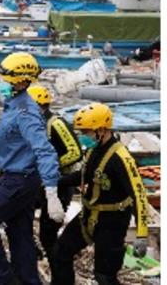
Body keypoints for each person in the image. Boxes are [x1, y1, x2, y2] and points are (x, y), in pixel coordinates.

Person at [0, 53, 63, 285]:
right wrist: (0, 165)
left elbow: (45, 151)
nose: (1, 82)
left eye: (6, 79)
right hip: (18, 176)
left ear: (21, 82)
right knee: (19, 232)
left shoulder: (26, 113)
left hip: (19, 181)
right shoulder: (13, 104)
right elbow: (15, 143)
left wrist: (51, 192)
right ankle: (29, 280)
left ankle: (2, 279)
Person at [50, 103, 149, 285]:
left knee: (105, 276)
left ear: (102, 130)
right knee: (60, 253)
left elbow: (139, 195)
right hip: (88, 216)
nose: (83, 137)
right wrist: (54, 180)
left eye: (86, 132)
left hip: (112, 223)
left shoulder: (122, 158)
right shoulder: (94, 150)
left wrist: (142, 234)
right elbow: (86, 175)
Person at [26, 84, 82, 265]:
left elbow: (74, 152)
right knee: (20, 212)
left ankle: (58, 269)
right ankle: (32, 252)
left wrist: (50, 168)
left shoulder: (56, 124)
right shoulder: (35, 123)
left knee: (48, 234)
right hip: (41, 182)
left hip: (60, 184)